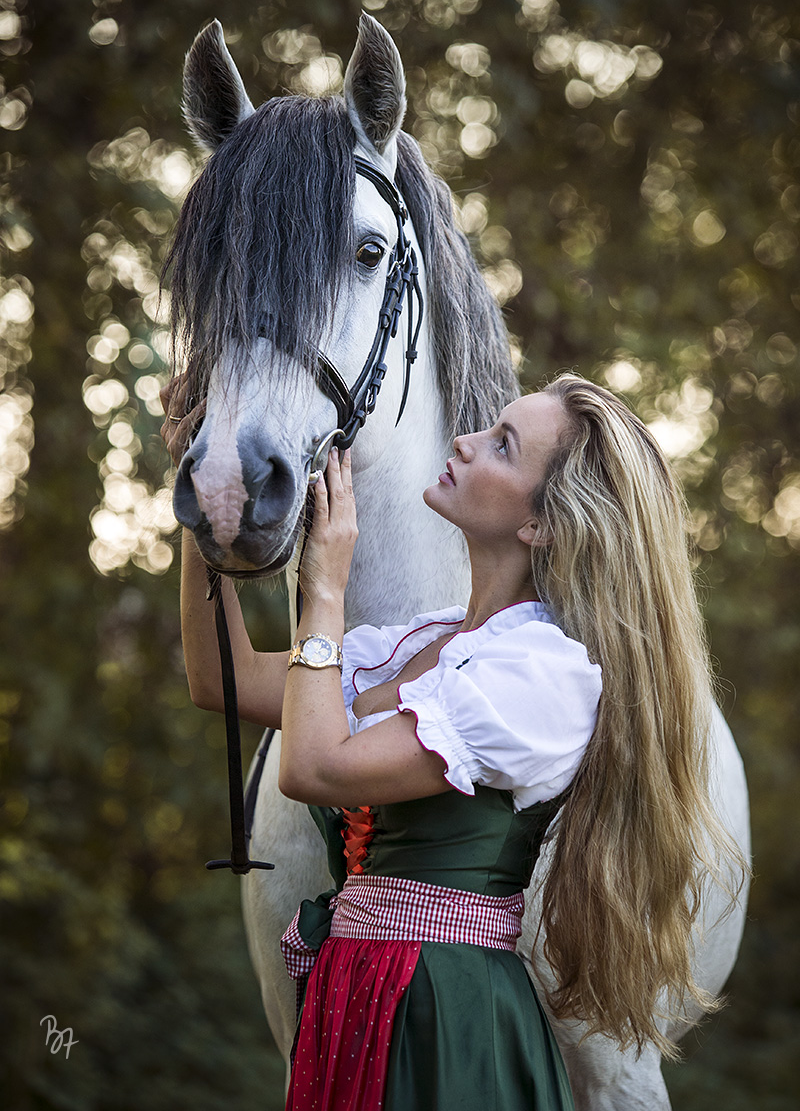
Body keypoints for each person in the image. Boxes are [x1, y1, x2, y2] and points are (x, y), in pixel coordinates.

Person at [161, 372, 741, 1111]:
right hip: (359, 991)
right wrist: (204, 501)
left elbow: (313, 768)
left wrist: (326, 592)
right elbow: (223, 679)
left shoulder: (542, 674)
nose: (463, 441)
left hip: (444, 1010)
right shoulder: (427, 641)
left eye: (502, 445)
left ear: (542, 523)